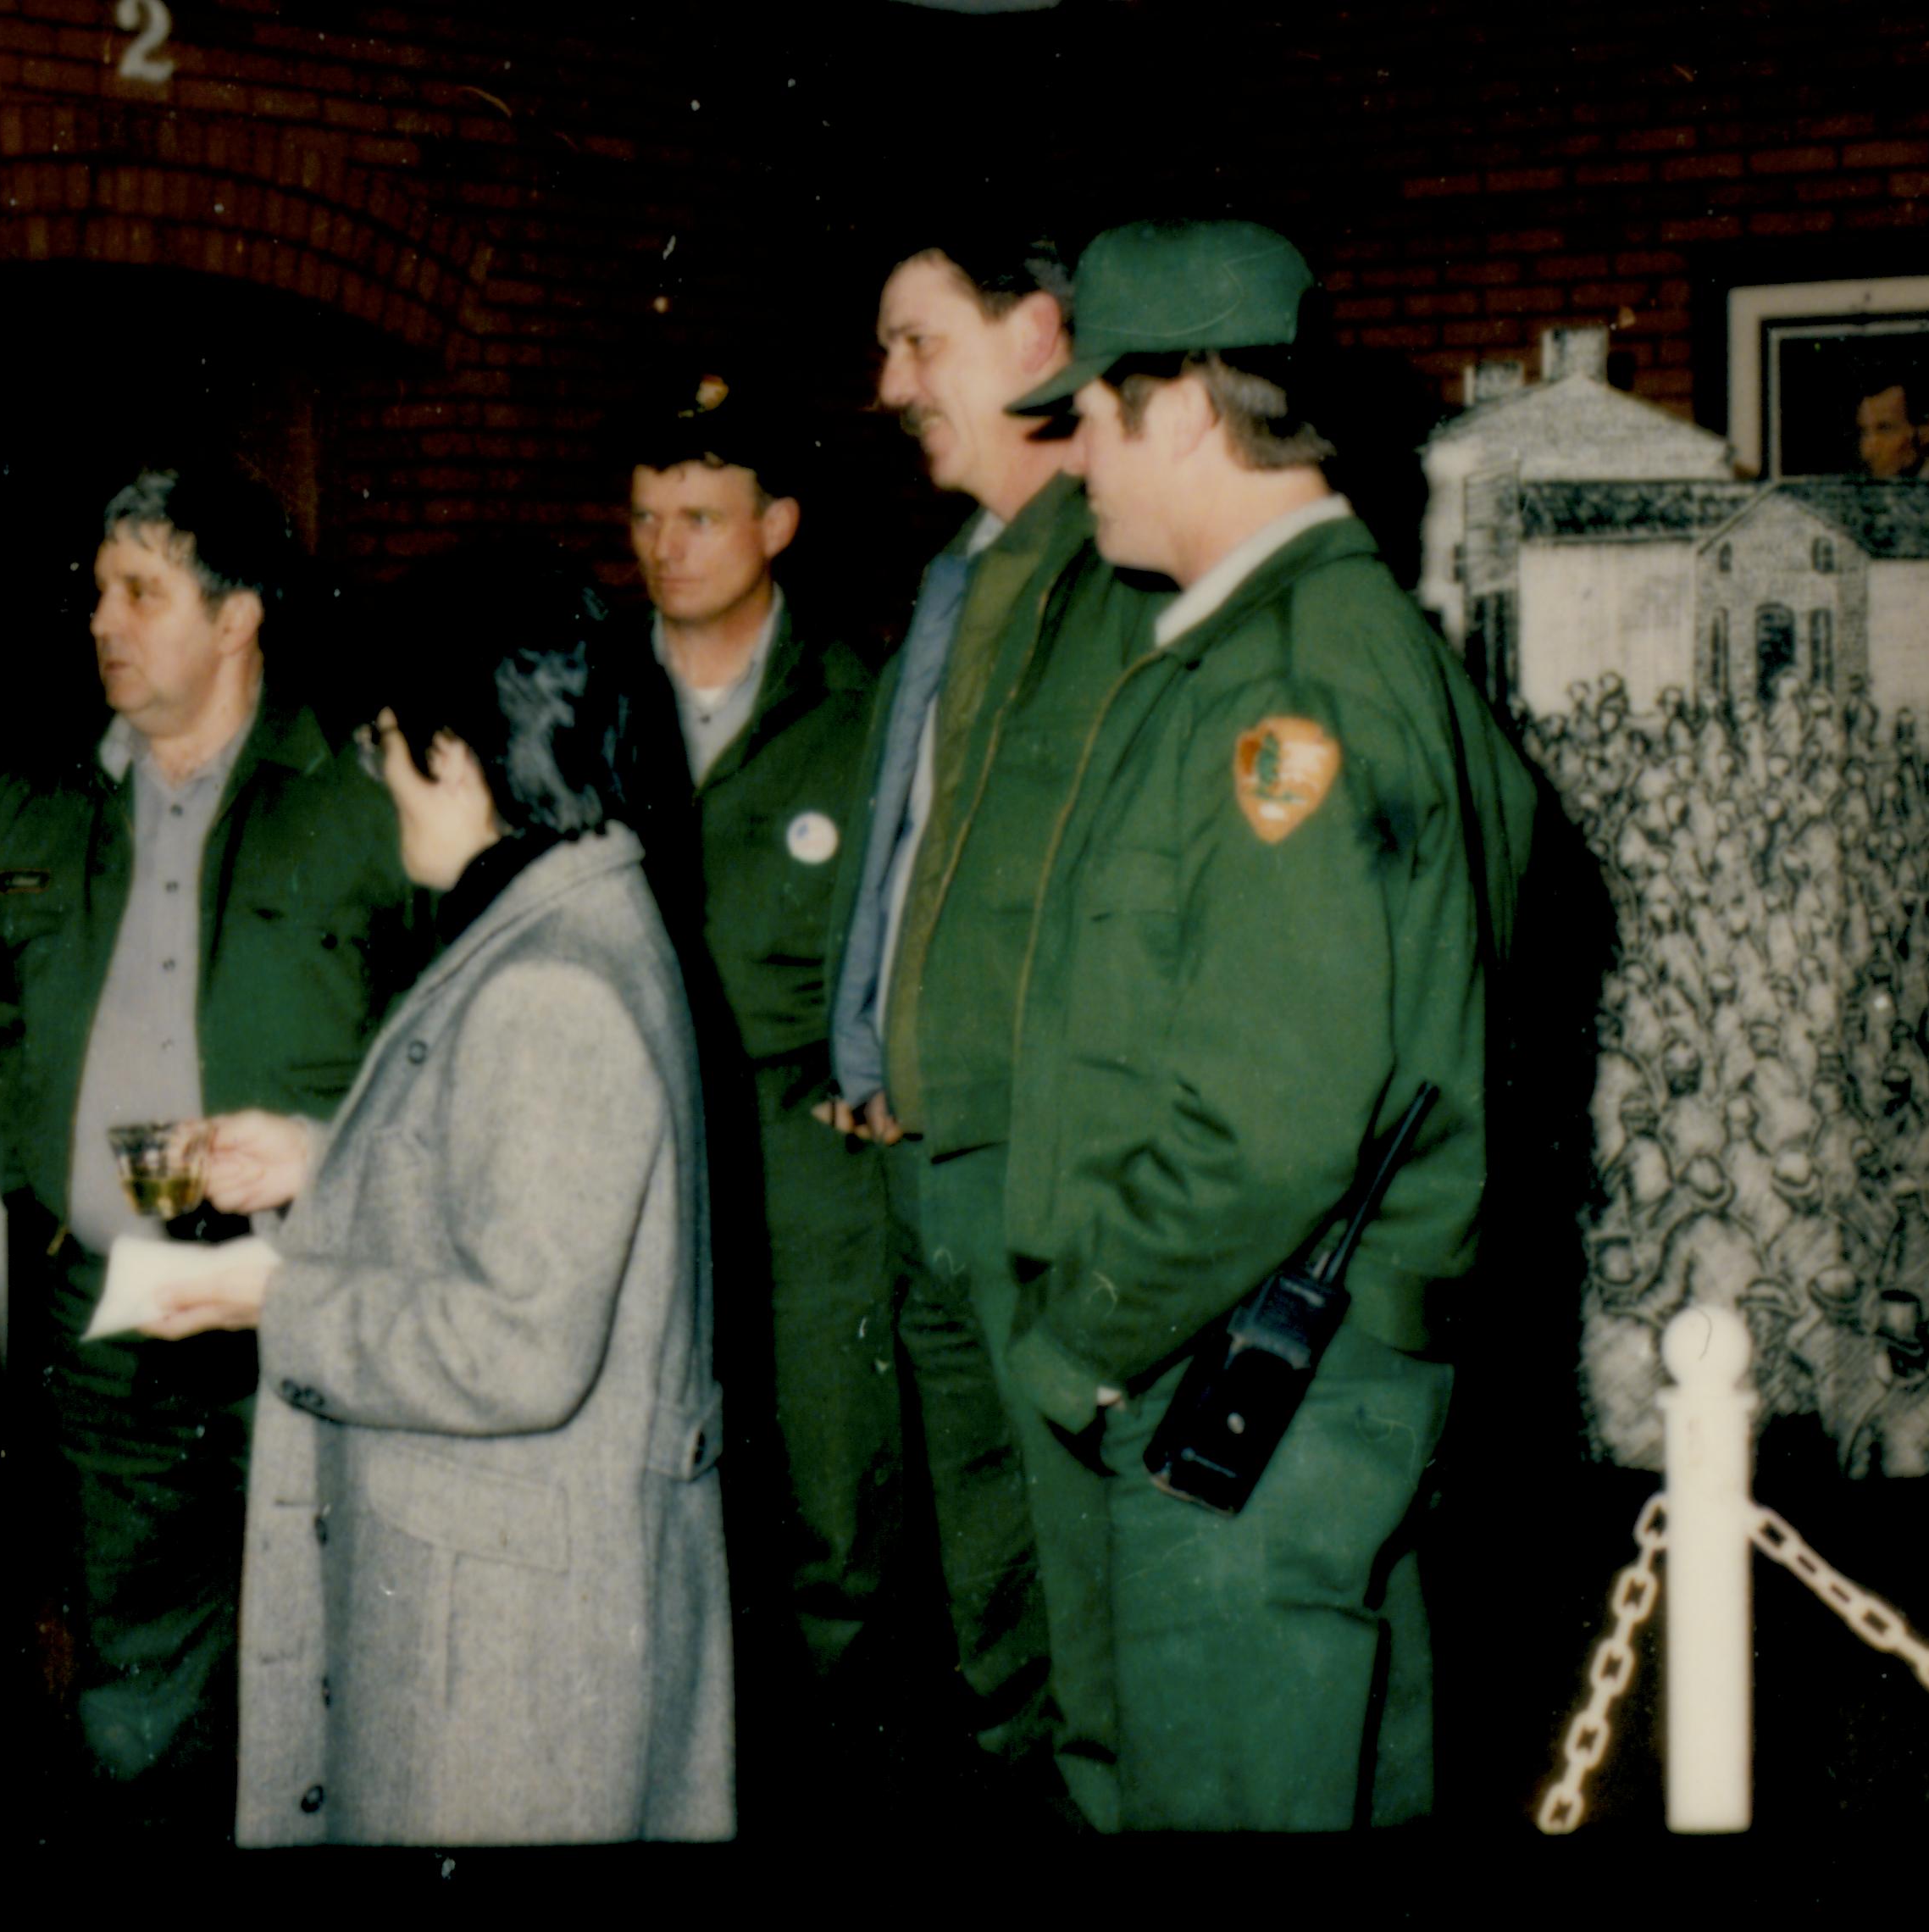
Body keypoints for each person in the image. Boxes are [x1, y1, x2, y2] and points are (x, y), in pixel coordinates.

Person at [997, 217, 1538, 1830]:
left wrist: (1085, 1334)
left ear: (1180, 409)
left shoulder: (1280, 688)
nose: (1076, 456)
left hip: (1238, 1363)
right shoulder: (1365, 650)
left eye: (1091, 413)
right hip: (1324, 1369)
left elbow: (1272, 1124)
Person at [145, 549, 734, 1844]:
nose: (380, 781)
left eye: (388, 745)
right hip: (512, 1601)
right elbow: (519, 1183)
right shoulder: (567, 914)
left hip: (504, 1658)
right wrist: (318, 1159)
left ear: (461, 754)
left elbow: (518, 1345)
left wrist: (275, 1297)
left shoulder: (553, 985)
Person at [0, 464, 425, 1838]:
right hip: (112, 1306)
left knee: (333, 1643)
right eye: (99, 589)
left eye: (142, 590)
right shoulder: (32, 798)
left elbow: (442, 1023)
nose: (104, 618)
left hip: (306, 1296)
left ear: (239, 615)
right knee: (136, 1669)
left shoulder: (359, 796)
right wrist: (41, 1154)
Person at [824, 229, 1159, 1821]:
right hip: (918, 1162)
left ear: (1038, 335)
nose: (890, 385)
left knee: (1083, 1620)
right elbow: (915, 852)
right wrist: (864, 1052)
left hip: (1029, 1174)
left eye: (916, 342)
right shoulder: (964, 571)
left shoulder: (1111, 574)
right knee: (993, 1619)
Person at [621, 373, 898, 1812]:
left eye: (703, 518)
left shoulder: (862, 712)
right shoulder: (594, 704)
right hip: (626, 1157)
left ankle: (827, 1808)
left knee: (829, 1531)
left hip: (805, 1171)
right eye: (649, 518)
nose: (668, 548)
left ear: (778, 525)